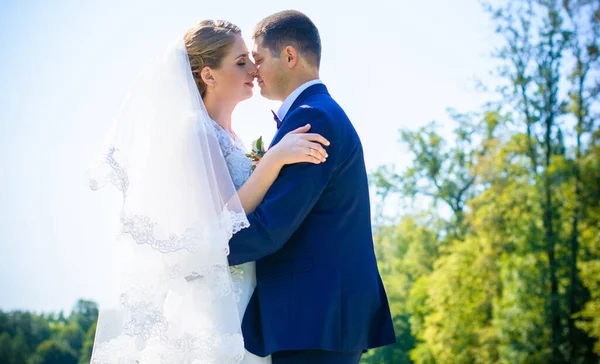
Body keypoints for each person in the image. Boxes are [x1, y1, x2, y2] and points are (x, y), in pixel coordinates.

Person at [87, 19, 328, 364]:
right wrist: (274, 160)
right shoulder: (194, 134)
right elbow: (220, 221)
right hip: (211, 307)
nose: (254, 69)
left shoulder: (233, 139)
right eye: (240, 61)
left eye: (252, 59)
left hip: (246, 295)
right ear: (209, 75)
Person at [226, 11, 396, 364]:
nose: (254, 71)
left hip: (314, 316)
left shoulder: (311, 118)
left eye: (258, 59)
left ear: (289, 56)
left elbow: (272, 229)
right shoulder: (316, 112)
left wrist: (203, 251)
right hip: (320, 315)